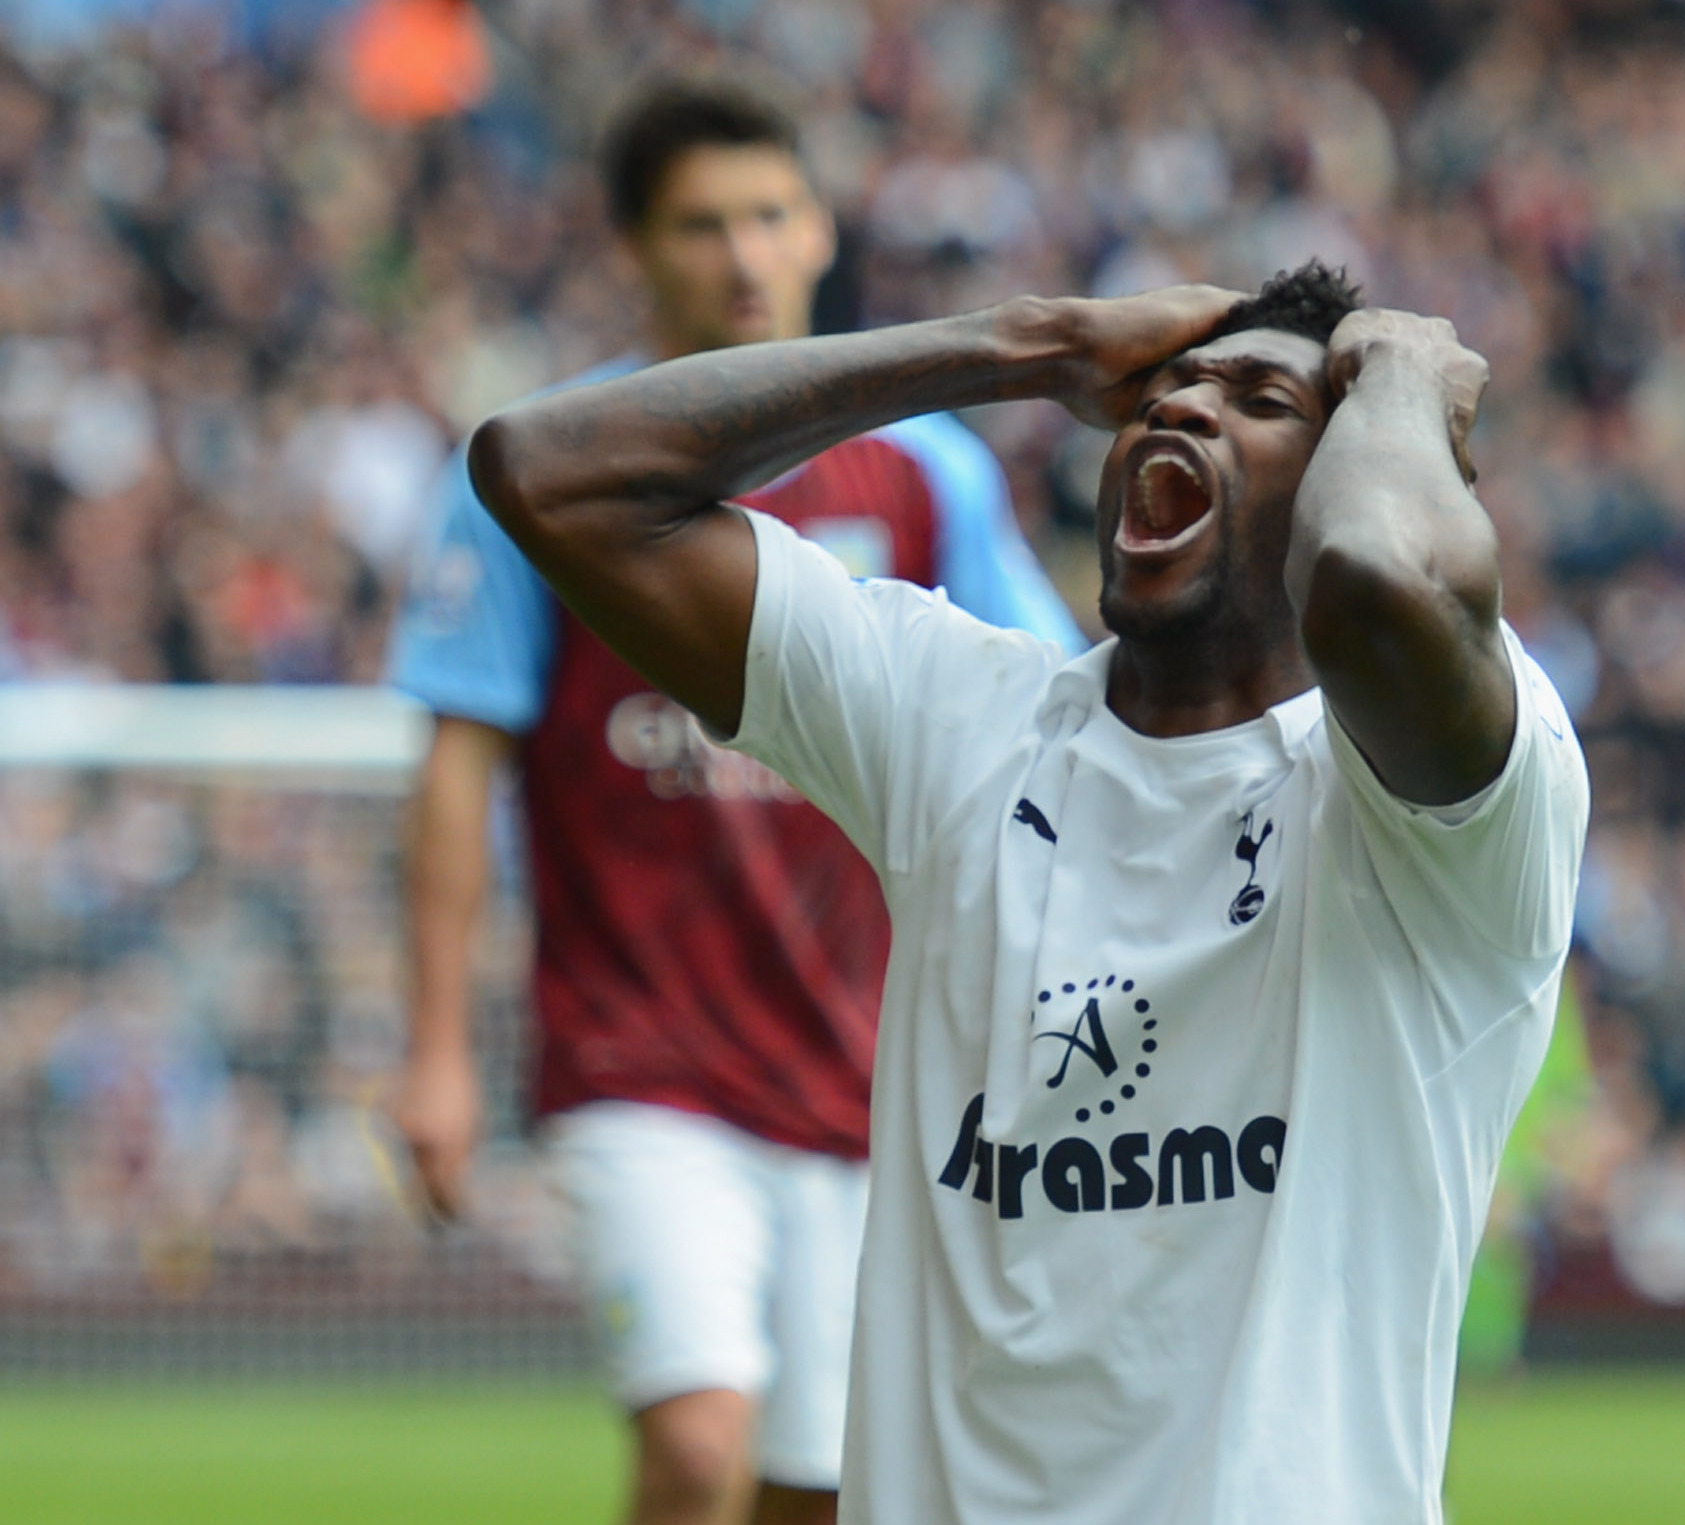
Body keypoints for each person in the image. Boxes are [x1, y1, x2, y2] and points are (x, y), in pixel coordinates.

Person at [465, 259, 1589, 1523]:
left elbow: (1380, 581)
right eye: (1167, 391)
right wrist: (1021, 347)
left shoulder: (1451, 813)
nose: (1183, 410)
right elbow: (547, 469)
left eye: (1260, 401)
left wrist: (1398, 373)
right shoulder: (959, 717)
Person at [385, 78, 1082, 1525]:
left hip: (861, 1067)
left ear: (820, 229)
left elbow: (1050, 727)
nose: (743, 253)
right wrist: (438, 1050)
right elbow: (460, 761)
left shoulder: (928, 475)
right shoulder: (548, 471)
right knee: (698, 1443)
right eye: (701, 225)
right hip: (638, 1056)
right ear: (632, 248)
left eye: (768, 215)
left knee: (813, 1490)